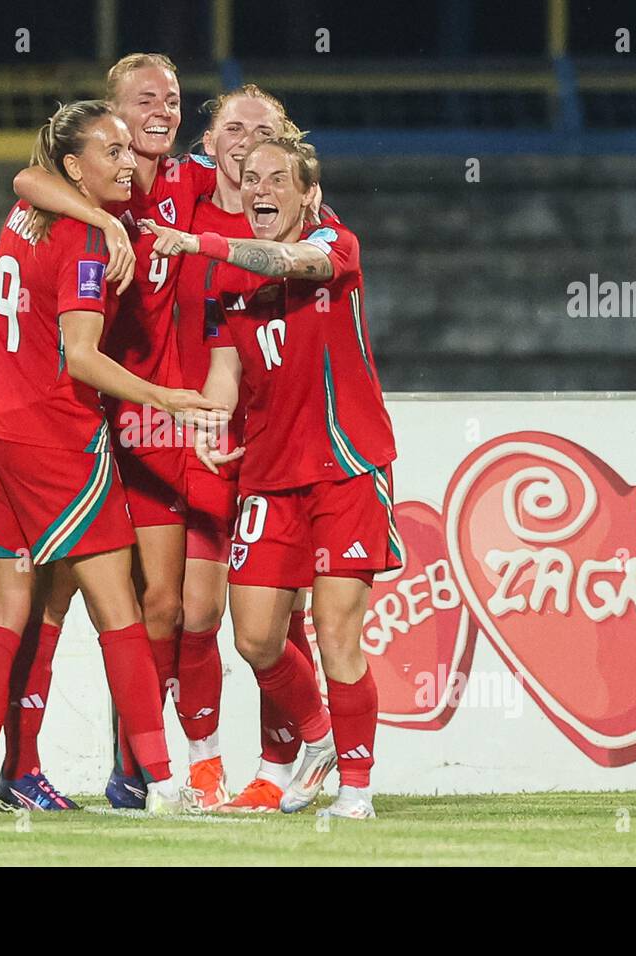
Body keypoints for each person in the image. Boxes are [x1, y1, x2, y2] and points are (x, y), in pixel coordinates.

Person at [0, 99, 225, 816]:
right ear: (76, 166)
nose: (129, 162)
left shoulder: (33, 212)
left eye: (130, 150)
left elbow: (25, 179)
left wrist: (102, 215)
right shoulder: (83, 239)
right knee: (120, 612)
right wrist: (164, 396)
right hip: (51, 440)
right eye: (113, 150)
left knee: (7, 608)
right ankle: (162, 784)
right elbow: (80, 357)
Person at [142, 136, 401, 820]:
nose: (262, 188)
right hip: (270, 474)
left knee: (337, 632)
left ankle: (357, 790)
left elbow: (296, 260)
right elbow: (226, 372)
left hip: (346, 467)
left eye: (278, 178)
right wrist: (206, 417)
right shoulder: (229, 282)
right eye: (251, 177)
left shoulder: (334, 243)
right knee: (255, 638)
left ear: (307, 193)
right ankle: (316, 738)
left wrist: (200, 243)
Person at [171, 86, 329, 812]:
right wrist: (203, 413)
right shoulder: (178, 209)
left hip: (283, 454)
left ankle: (277, 769)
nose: (244, 140)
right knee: (197, 612)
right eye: (231, 125)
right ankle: (204, 763)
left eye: (261, 130)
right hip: (209, 436)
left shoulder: (314, 231)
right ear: (210, 139)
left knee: (276, 624)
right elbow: (218, 354)